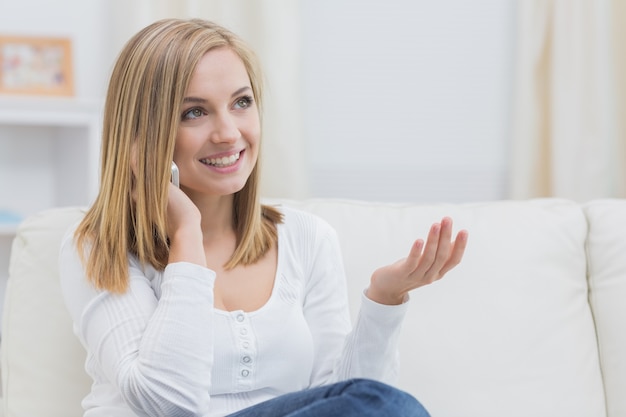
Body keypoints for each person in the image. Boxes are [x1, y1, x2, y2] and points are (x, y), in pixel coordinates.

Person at [59, 18, 468, 417]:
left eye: (241, 103)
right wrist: (186, 234)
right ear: (141, 135)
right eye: (194, 113)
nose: (228, 133)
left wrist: (385, 298)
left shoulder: (306, 238)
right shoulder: (101, 245)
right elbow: (170, 404)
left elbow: (349, 399)